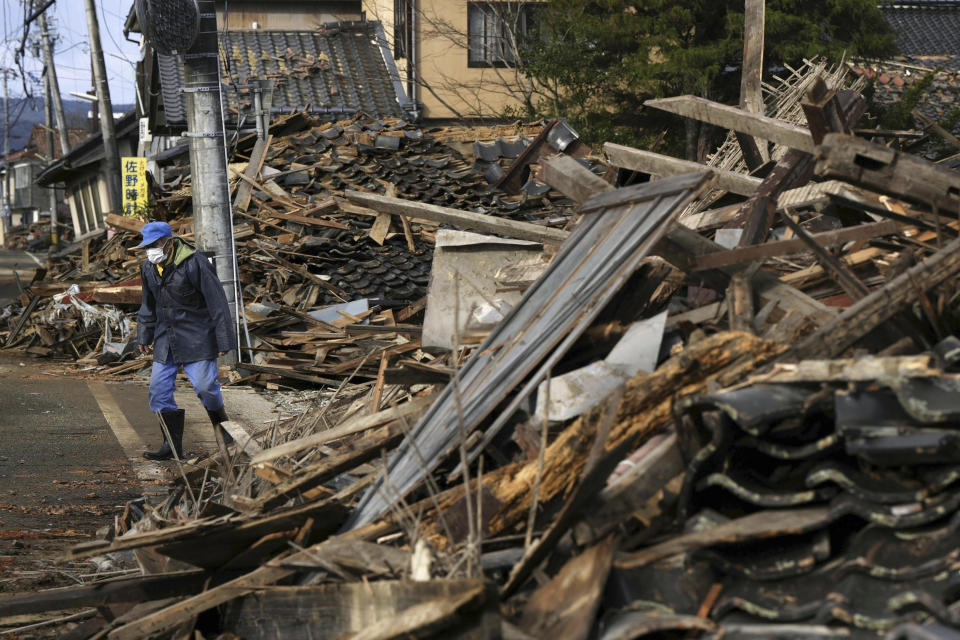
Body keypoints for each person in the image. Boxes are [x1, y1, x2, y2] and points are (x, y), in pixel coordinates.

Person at [136, 221, 236, 460]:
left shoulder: (195, 263)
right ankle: (170, 446)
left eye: (155, 244)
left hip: (197, 336)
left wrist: (224, 341)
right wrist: (144, 334)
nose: (151, 250)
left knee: (205, 388)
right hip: (165, 338)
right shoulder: (148, 268)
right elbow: (147, 304)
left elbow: (218, 302)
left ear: (169, 243)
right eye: (147, 246)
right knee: (158, 392)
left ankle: (226, 435)